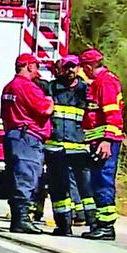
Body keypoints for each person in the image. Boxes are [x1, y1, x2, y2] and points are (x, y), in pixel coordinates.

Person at [0, 53, 54, 234]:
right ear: (29, 66)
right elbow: (45, 109)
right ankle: (21, 219)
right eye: (36, 67)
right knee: (27, 176)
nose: (37, 71)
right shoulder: (26, 87)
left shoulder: (9, 87)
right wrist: (50, 101)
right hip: (27, 138)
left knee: (17, 176)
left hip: (13, 135)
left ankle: (19, 217)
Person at [42, 55, 95, 236]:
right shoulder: (51, 88)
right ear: (61, 69)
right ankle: (63, 225)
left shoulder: (86, 90)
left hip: (79, 147)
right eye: (68, 67)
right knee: (58, 188)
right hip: (55, 147)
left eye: (74, 67)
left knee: (87, 190)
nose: (71, 70)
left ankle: (94, 224)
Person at [80, 48, 125, 240]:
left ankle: (106, 226)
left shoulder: (105, 83)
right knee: (98, 181)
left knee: (103, 181)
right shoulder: (100, 82)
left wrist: (106, 140)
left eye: (84, 66)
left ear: (90, 66)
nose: (82, 70)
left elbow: (113, 116)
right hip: (99, 141)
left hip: (105, 142)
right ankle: (101, 223)